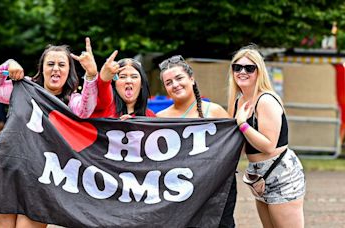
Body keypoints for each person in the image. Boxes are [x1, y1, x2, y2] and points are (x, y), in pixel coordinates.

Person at [0, 38, 99, 228]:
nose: (56, 69)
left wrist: (91, 74)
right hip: (11, 166)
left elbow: (86, 110)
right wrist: (8, 66)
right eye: (51, 64)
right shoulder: (23, 87)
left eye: (62, 65)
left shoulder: (72, 101)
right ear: (42, 68)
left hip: (42, 175)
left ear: (69, 71)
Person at [228, 45, 305, 227]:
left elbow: (269, 145)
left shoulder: (266, 100)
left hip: (281, 173)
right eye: (237, 67)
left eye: (249, 68)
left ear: (259, 71)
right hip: (258, 174)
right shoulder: (239, 101)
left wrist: (242, 124)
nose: (242, 72)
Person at [156, 55, 235, 227]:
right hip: (177, 192)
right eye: (168, 82)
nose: (175, 85)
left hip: (214, 190)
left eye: (179, 78)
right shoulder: (159, 118)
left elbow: (233, 149)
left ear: (191, 79)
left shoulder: (215, 112)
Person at [92, 50, 155, 118]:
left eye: (134, 77)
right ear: (114, 83)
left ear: (142, 83)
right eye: (122, 77)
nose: (128, 81)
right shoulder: (101, 110)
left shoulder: (150, 116)